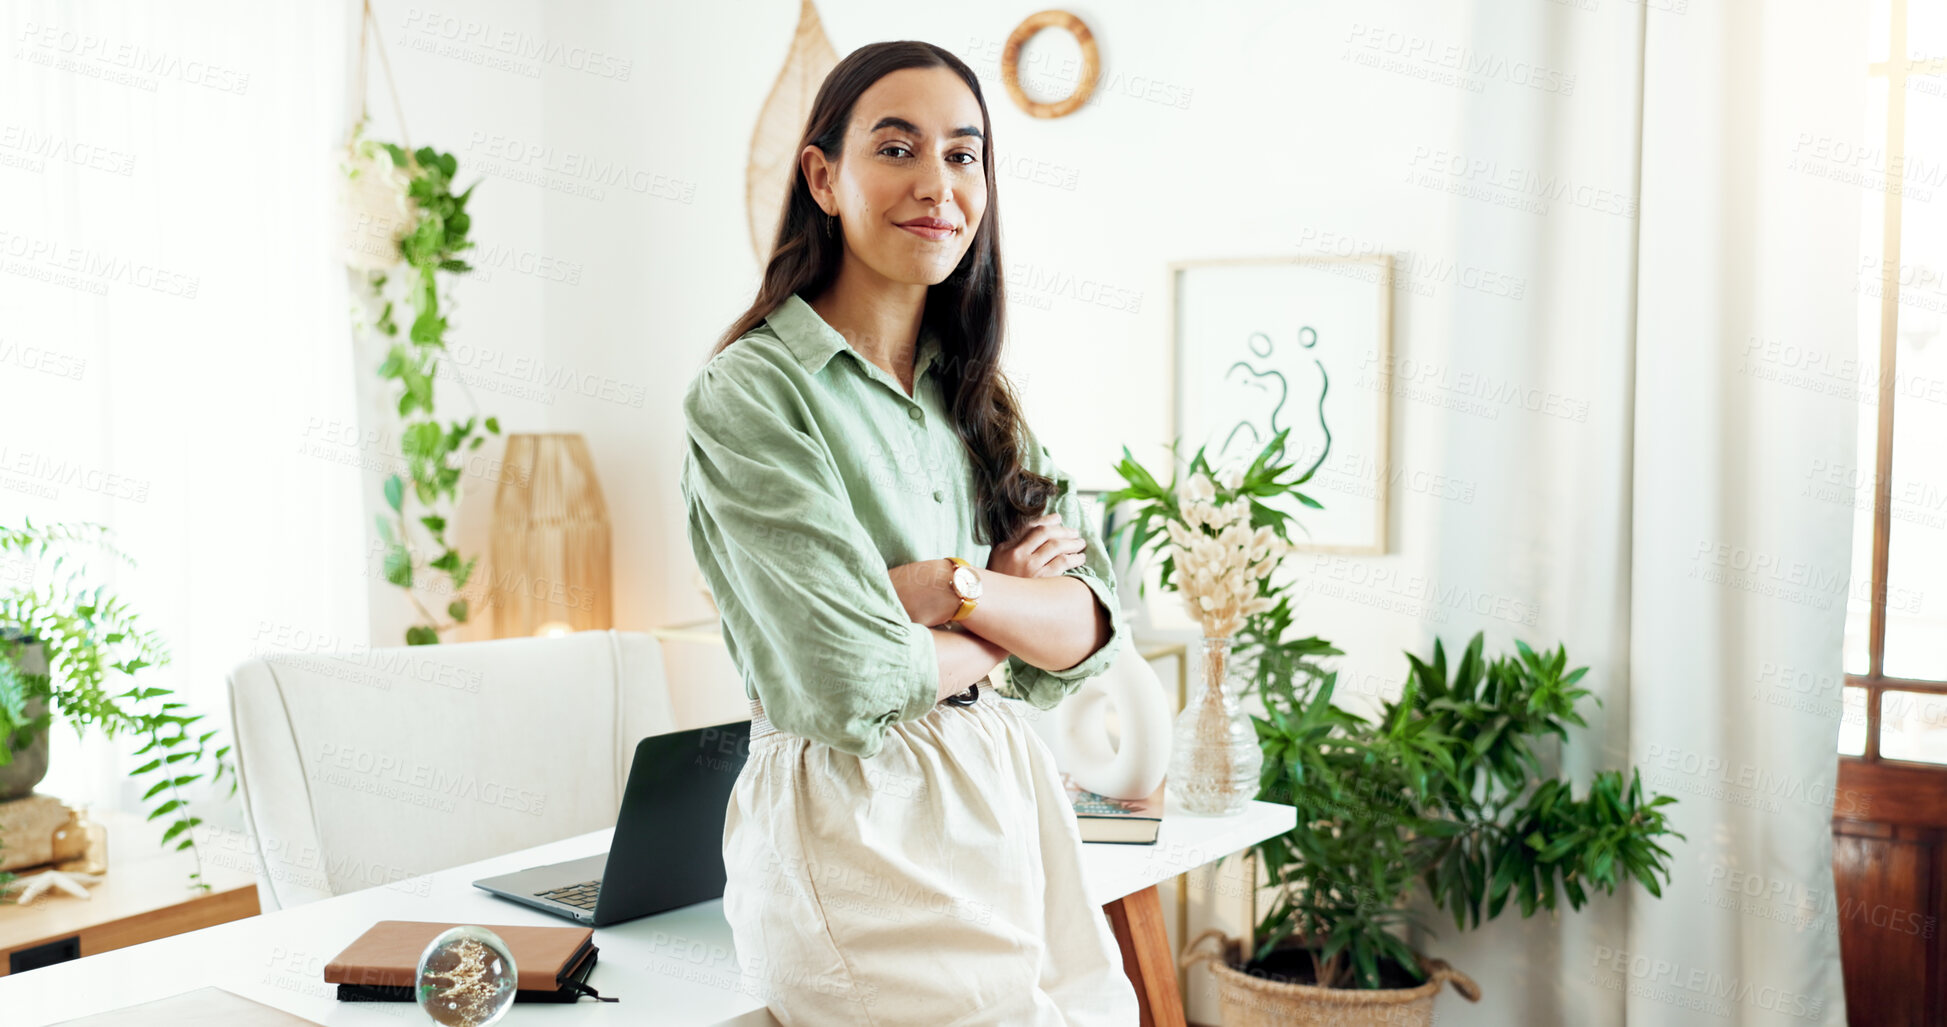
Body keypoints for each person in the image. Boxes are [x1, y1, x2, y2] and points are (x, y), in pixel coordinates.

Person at [679, 39, 1142, 1027]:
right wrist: (998, 613)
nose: (937, 182)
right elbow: (842, 678)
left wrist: (947, 588)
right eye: (896, 148)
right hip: (860, 823)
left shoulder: (972, 391)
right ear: (823, 175)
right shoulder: (755, 391)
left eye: (964, 154)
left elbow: (1093, 629)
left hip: (1008, 807)